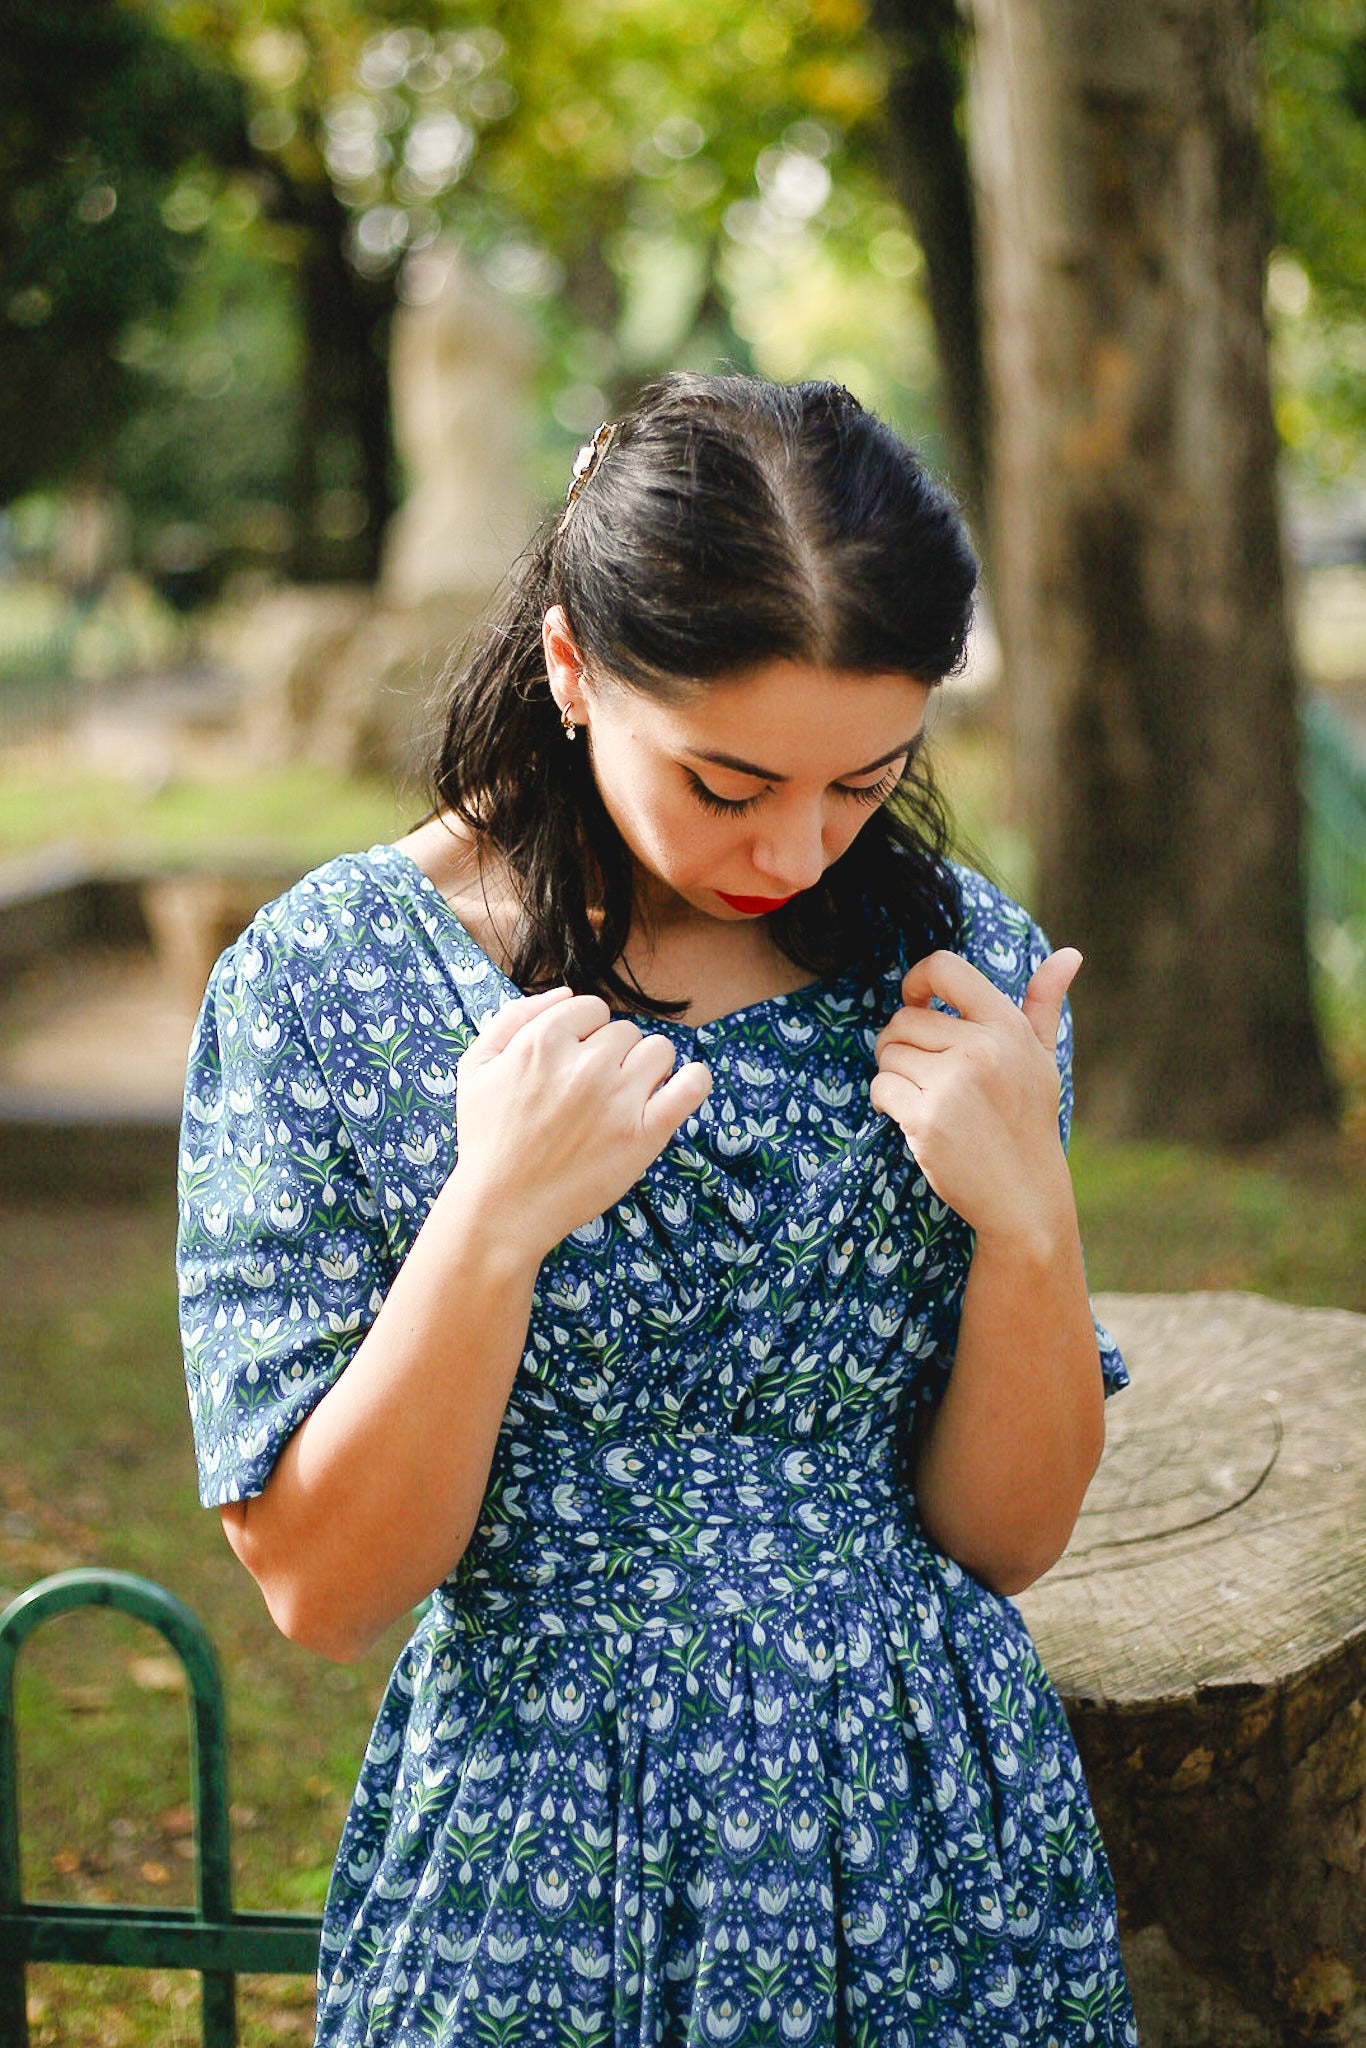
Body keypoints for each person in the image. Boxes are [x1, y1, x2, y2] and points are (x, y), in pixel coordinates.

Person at [177, 372, 1138, 2045]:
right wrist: (491, 1221)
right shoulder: (326, 985)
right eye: (726, 780)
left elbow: (1004, 1539)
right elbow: (322, 1591)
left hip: (930, 1838)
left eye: (864, 782)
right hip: (542, 1850)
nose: (797, 847)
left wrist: (1026, 1226)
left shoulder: (956, 968)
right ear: (570, 666)